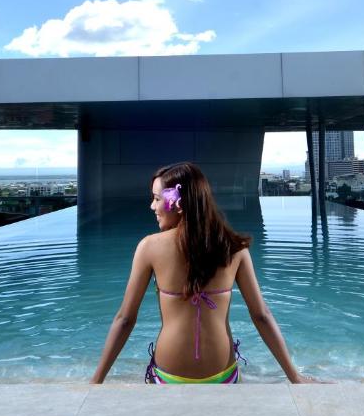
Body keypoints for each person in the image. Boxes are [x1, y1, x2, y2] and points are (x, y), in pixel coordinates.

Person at [90, 161, 313, 384]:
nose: (152, 206)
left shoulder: (149, 247)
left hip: (168, 377)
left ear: (176, 203)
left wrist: (96, 381)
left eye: (157, 199)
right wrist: (294, 377)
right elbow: (261, 316)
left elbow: (126, 319)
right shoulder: (235, 249)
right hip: (224, 376)